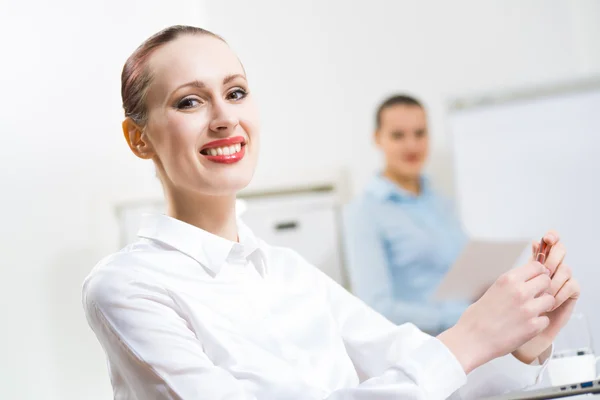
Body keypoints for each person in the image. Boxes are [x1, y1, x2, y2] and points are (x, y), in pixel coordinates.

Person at [82, 25, 580, 400]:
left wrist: (524, 340)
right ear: (139, 138)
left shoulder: (289, 271)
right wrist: (469, 336)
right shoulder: (128, 286)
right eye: (190, 101)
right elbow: (440, 364)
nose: (225, 117)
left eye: (236, 92)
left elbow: (428, 371)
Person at [343, 94, 471, 335]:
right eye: (398, 135)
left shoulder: (440, 201)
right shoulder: (364, 213)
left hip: (471, 338)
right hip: (421, 350)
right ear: (377, 139)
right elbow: (376, 307)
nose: (412, 145)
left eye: (420, 133)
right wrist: (454, 317)